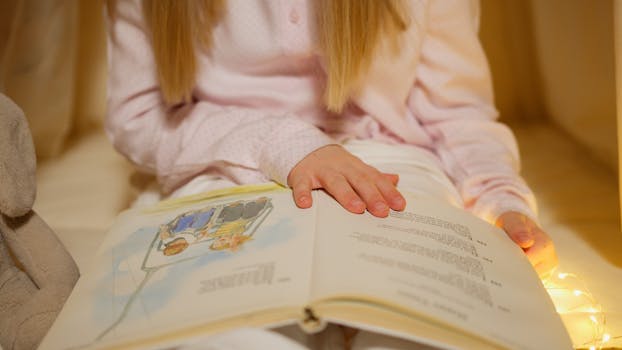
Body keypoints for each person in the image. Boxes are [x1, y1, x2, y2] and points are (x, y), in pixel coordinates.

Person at [105, 0, 557, 348]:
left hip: (387, 163)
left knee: (412, 330)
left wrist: (501, 200)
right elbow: (139, 118)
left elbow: (456, 114)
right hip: (225, 157)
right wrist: (284, 144)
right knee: (235, 334)